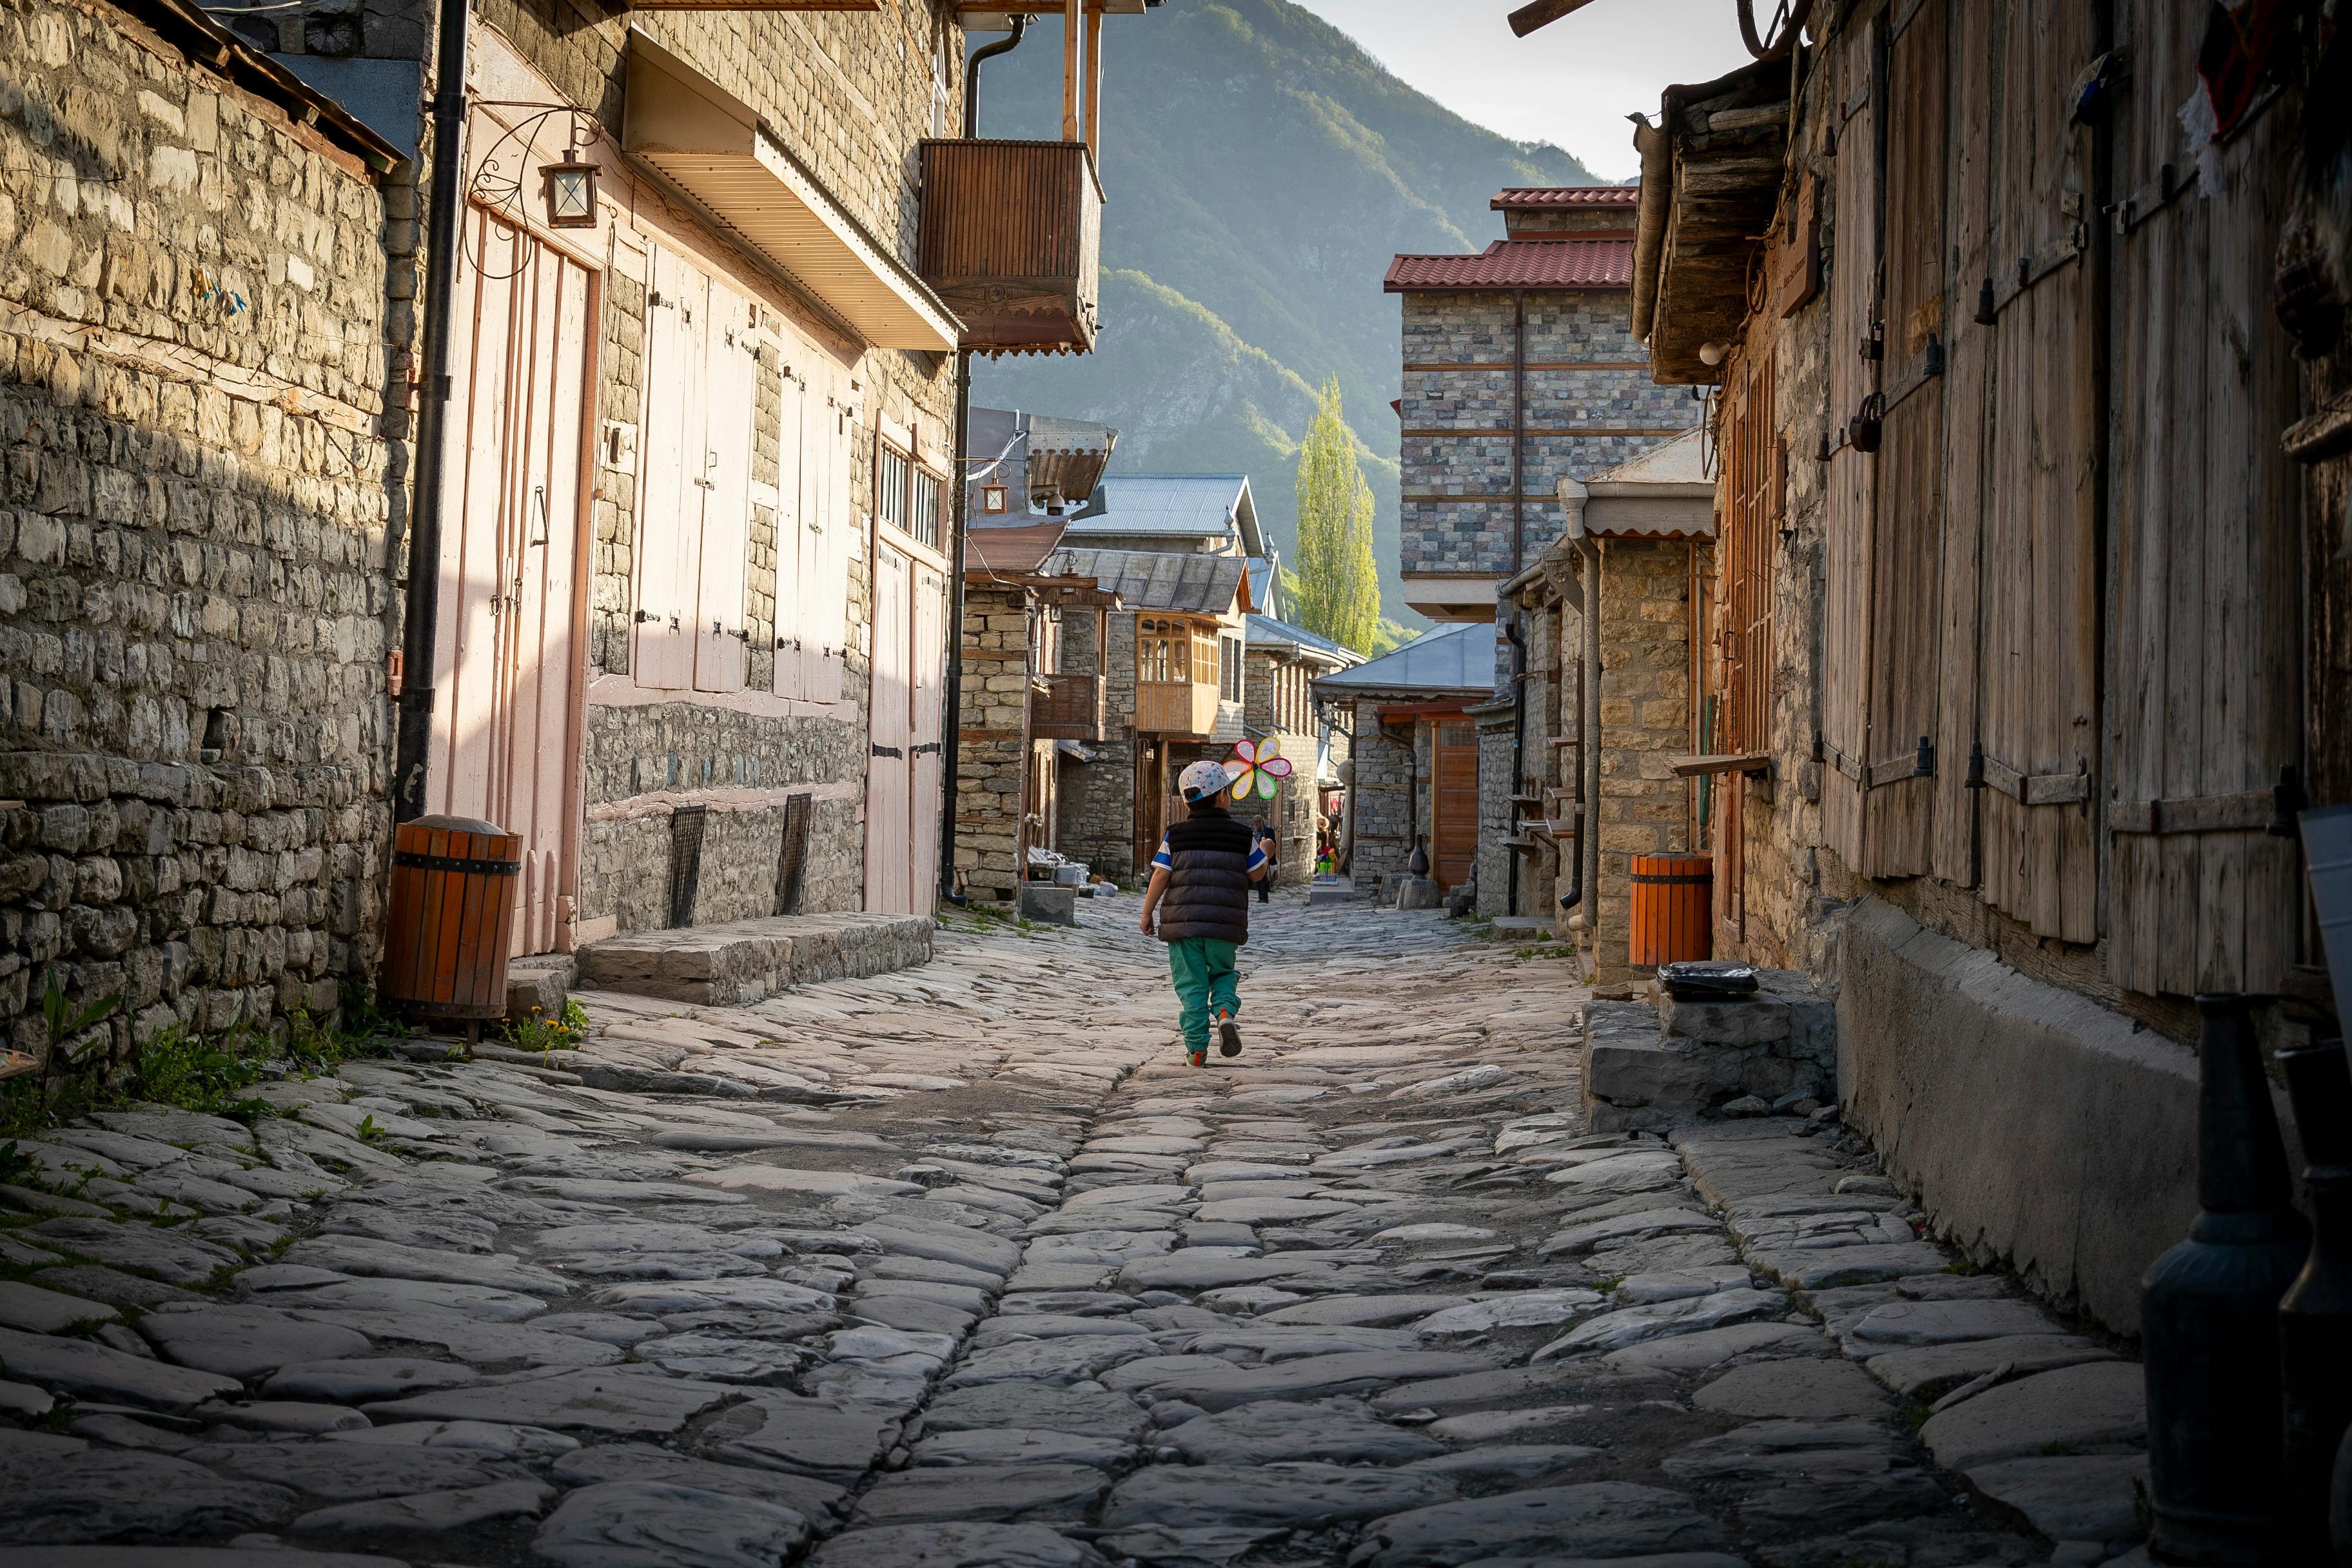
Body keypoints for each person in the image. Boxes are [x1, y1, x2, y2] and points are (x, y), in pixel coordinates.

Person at [1139, 759, 1268, 1066]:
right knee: (1223, 973)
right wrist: (1267, 853)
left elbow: (1160, 875)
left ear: (1185, 800)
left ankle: (1197, 1050)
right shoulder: (1240, 836)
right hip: (1225, 927)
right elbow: (1256, 875)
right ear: (1224, 796)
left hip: (1182, 928)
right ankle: (1224, 1011)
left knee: (1191, 986)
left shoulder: (1176, 834)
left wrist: (1147, 913)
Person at [1255, 823, 1278, 903]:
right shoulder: (1256, 833)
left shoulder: (1268, 831)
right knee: (1258, 878)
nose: (1256, 824)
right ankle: (1261, 897)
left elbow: (1272, 844)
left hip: (1265, 858)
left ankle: (1264, 897)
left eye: (1257, 822)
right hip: (1257, 858)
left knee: (1263, 879)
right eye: (1255, 822)